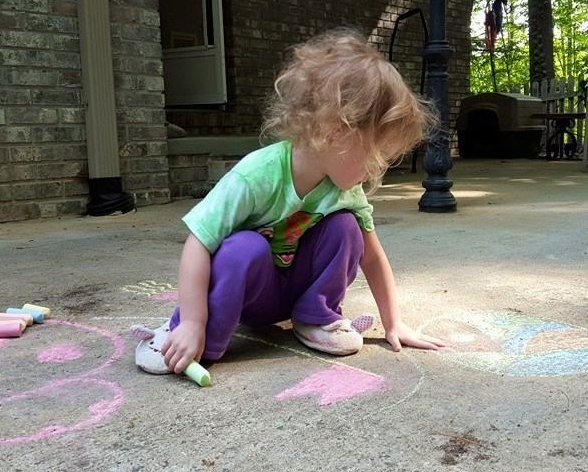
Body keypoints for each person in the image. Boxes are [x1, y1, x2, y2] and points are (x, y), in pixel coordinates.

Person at [133, 29, 447, 375]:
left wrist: (394, 323)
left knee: (346, 228)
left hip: (290, 294)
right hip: (244, 297)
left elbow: (372, 258)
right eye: (373, 157)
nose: (376, 171)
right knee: (243, 248)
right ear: (335, 132)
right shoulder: (256, 176)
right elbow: (197, 244)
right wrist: (192, 320)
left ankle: (315, 317)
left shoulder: (344, 190)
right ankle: (187, 335)